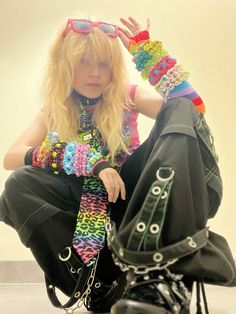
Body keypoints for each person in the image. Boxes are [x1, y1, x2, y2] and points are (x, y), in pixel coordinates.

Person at [0, 16, 235, 314]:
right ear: (66, 65)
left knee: (180, 107)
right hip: (86, 199)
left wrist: (148, 56)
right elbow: (12, 155)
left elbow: (192, 110)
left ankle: (158, 270)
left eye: (104, 64)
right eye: (84, 61)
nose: (95, 73)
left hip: (132, 193)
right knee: (18, 185)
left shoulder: (127, 96)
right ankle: (97, 283)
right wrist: (90, 161)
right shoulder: (55, 110)